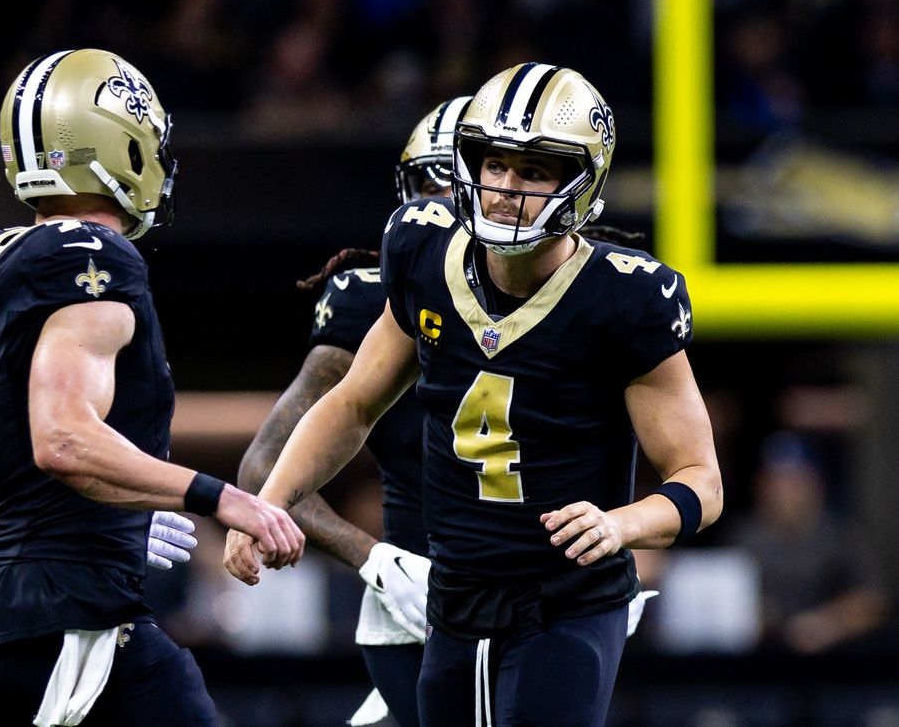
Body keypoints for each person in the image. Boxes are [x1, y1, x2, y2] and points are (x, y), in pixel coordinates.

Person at [225, 62, 723, 727]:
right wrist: (270, 505)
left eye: (535, 171)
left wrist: (619, 524)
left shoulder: (625, 299)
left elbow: (701, 482)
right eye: (494, 165)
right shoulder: (422, 250)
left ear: (583, 180)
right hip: (453, 596)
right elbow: (353, 404)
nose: (506, 190)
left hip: (565, 598)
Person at [0, 48, 304, 727]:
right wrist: (223, 500)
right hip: (70, 624)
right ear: (122, 144)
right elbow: (64, 440)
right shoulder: (96, 255)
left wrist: (106, 519)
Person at [236, 96, 472, 727]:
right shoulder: (374, 299)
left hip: (545, 597)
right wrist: (378, 560)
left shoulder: (588, 292)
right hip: (419, 599)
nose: (436, 207)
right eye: (427, 188)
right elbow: (264, 468)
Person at [727, 431, 890, 654]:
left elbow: (873, 601)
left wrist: (828, 623)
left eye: (794, 480)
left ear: (815, 483)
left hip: (833, 661)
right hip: (760, 661)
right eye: (774, 480)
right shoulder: (743, 536)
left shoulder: (839, 535)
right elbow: (721, 597)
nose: (783, 491)